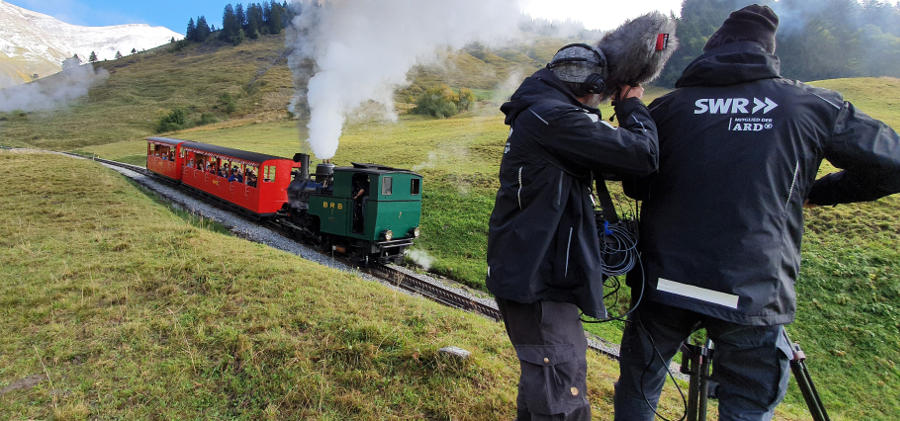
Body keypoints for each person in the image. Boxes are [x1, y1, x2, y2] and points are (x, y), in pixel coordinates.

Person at [614, 5, 900, 420]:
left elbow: (636, 184)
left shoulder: (668, 108)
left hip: (664, 282)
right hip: (751, 288)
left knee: (640, 386)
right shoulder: (813, 104)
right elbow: (892, 165)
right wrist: (819, 193)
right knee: (747, 404)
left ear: (711, 48)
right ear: (769, 51)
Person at [486, 43, 659, 420]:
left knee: (545, 382)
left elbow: (615, 161)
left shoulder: (543, 113)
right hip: (539, 277)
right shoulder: (555, 118)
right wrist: (631, 106)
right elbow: (641, 156)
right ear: (592, 84)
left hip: (534, 270)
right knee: (560, 390)